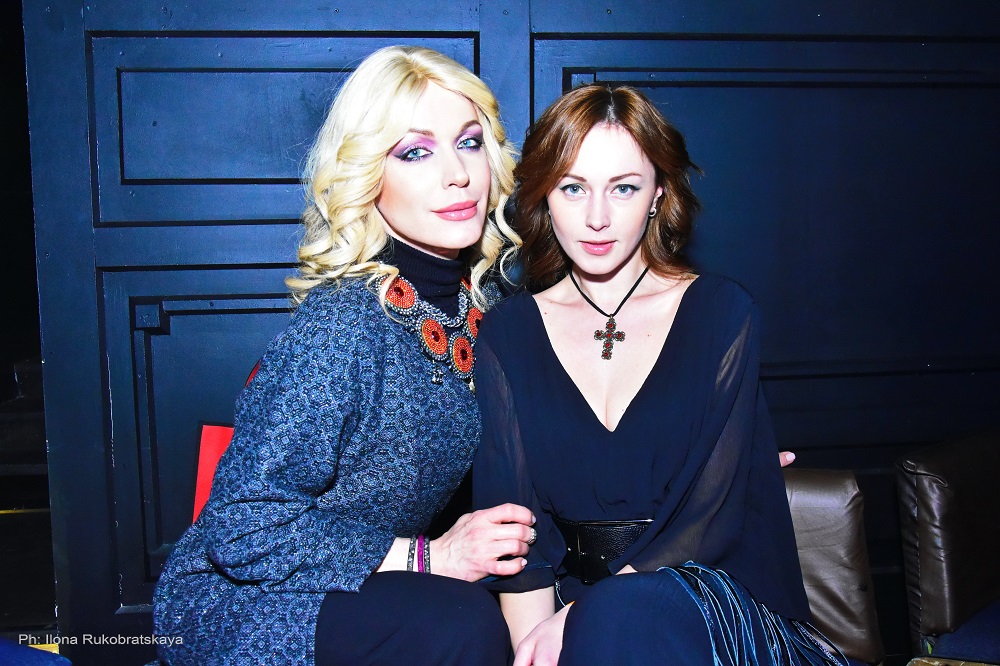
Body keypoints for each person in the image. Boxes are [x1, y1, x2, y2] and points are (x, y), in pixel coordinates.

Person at [153, 46, 536, 666]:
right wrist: (431, 557)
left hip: (373, 587)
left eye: (468, 143)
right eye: (415, 152)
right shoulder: (344, 323)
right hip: (250, 600)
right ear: (367, 175)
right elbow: (243, 527)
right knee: (462, 625)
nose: (457, 175)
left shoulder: (484, 306)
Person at [472, 84, 849, 665]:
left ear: (658, 194)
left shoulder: (722, 313)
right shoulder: (508, 334)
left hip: (707, 601)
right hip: (585, 621)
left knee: (622, 617)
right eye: (573, 188)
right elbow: (520, 539)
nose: (597, 218)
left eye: (623, 188)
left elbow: (711, 516)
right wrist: (533, 647)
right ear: (545, 195)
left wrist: (586, 612)